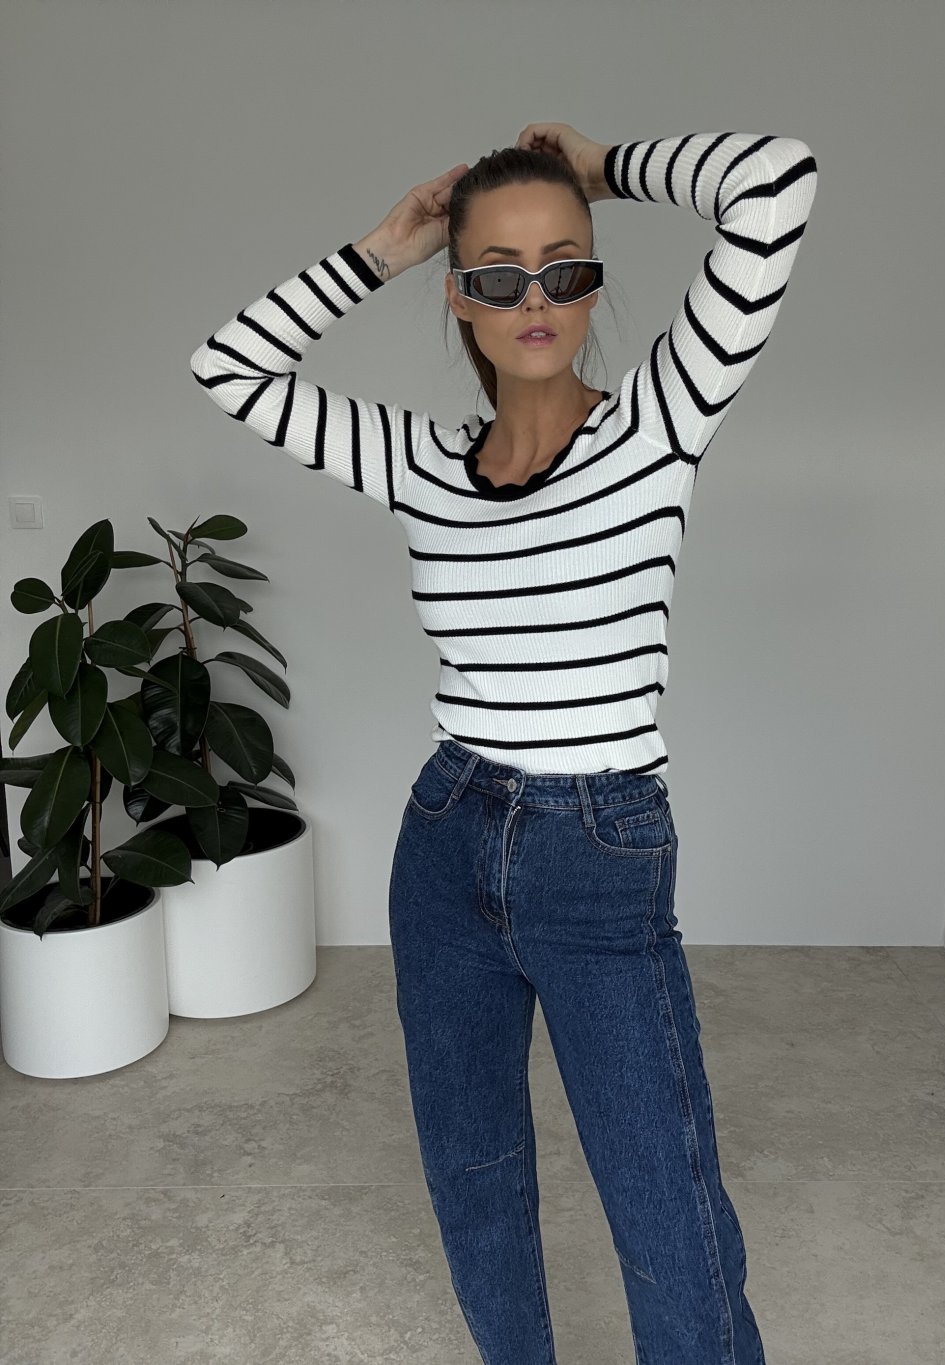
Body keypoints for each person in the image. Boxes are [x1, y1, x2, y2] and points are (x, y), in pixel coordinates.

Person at [191, 120, 817, 1365]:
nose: (536, 300)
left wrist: (604, 168)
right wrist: (386, 244)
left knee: (664, 1202)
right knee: (469, 1168)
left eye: (565, 268)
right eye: (497, 273)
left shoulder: (659, 422)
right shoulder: (420, 462)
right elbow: (230, 367)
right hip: (447, 833)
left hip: (598, 844)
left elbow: (777, 179)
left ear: (592, 282)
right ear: (459, 295)